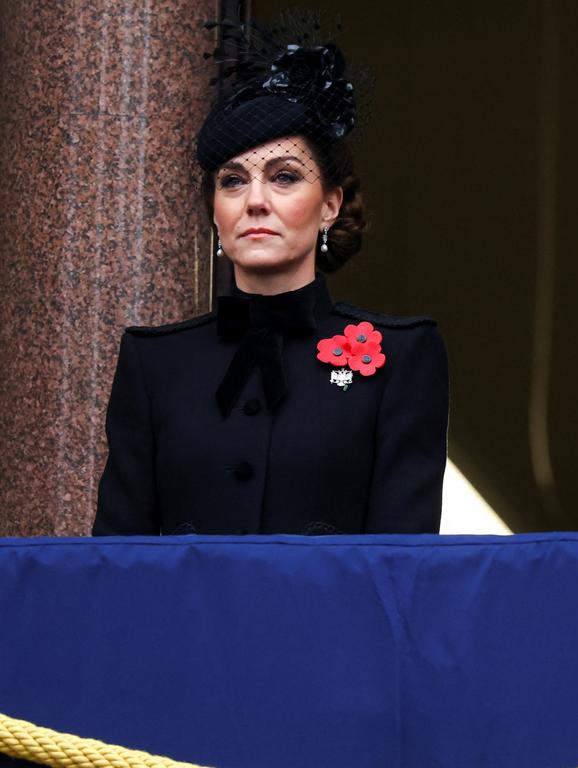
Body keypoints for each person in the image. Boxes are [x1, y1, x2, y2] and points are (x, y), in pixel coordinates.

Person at [93, 26, 448, 535]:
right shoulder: (154, 365)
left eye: (284, 176)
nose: (255, 200)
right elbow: (115, 565)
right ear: (215, 212)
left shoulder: (403, 358)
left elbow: (403, 570)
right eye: (233, 181)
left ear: (330, 205)